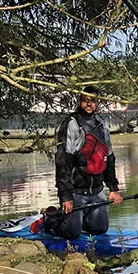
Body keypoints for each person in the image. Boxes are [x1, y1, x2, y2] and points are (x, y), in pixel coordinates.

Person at [50, 86, 123, 239]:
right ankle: (52, 219)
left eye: (93, 101)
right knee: (71, 233)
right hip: (76, 192)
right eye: (85, 101)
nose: (89, 104)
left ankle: (82, 220)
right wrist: (66, 197)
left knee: (100, 229)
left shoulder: (102, 125)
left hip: (96, 191)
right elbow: (63, 162)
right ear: (79, 102)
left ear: (98, 103)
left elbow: (109, 158)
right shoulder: (71, 124)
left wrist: (113, 188)